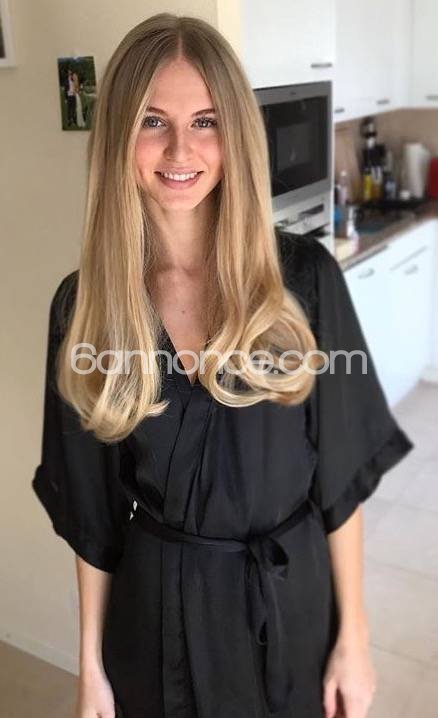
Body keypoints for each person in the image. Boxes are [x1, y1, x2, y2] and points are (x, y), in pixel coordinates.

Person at [32, 13, 414, 718]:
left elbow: (341, 482)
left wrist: (354, 637)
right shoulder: (85, 309)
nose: (181, 149)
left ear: (235, 133)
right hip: (158, 621)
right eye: (153, 121)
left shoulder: (303, 282)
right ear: (118, 136)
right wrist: (90, 667)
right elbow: (91, 514)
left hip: (291, 609)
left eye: (205, 121)